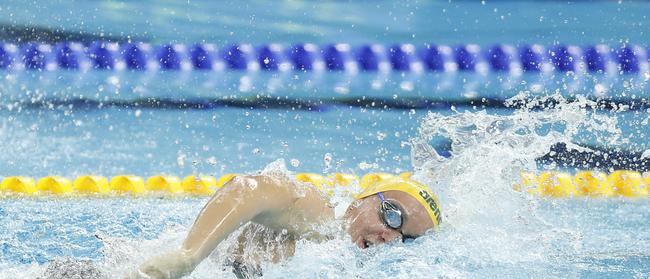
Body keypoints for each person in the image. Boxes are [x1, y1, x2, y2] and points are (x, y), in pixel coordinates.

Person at [125, 173, 442, 279]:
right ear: (363, 199)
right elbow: (249, 188)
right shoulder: (321, 219)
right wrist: (188, 255)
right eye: (392, 215)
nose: (390, 235)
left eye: (406, 237)